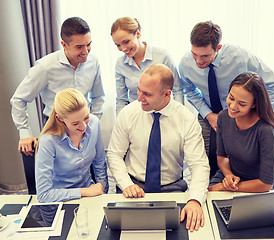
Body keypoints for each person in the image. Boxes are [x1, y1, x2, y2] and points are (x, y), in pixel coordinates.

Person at [107, 64, 210, 232]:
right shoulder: (128, 113)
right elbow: (114, 154)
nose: (139, 98)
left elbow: (199, 165)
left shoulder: (186, 119)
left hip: (171, 188)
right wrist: (126, 185)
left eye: (147, 94)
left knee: (187, 232)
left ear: (167, 94)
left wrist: (195, 200)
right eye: (139, 90)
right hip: (133, 187)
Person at [179, 20, 274, 179]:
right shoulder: (186, 63)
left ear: (218, 48)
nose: (198, 61)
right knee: (203, 157)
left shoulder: (240, 56)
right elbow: (189, 90)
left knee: (247, 157)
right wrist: (208, 114)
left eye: (205, 56)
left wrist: (256, 114)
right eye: (195, 54)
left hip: (242, 111)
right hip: (210, 111)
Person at [11, 17, 104, 156]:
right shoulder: (45, 67)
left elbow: (98, 96)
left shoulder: (93, 62)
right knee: (57, 173)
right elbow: (19, 99)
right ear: (64, 44)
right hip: (56, 127)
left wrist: (91, 122)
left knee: (89, 168)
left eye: (88, 44)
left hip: (85, 125)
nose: (86, 51)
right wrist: (24, 132)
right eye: (79, 47)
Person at [208, 72, 274, 192]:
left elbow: (266, 184)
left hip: (255, 185)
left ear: (254, 105)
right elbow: (221, 157)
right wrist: (228, 176)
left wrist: (225, 187)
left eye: (242, 104)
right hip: (229, 176)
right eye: (231, 98)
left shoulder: (266, 130)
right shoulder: (223, 117)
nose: (232, 106)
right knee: (205, 202)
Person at [35, 88, 108, 203]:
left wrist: (103, 193)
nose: (84, 126)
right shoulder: (48, 141)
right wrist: (83, 191)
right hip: (60, 200)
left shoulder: (94, 123)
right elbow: (44, 194)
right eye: (75, 123)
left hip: (90, 196)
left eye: (86, 117)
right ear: (60, 119)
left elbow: (99, 164)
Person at [111, 16, 184, 115]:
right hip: (137, 115)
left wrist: (178, 116)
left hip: (164, 113)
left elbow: (177, 90)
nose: (123, 49)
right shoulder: (120, 64)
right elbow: (121, 99)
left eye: (126, 42)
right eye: (118, 45)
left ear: (137, 34)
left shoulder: (162, 56)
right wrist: (119, 123)